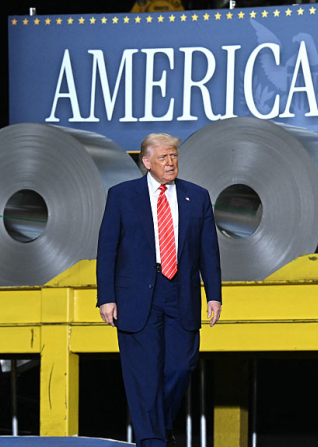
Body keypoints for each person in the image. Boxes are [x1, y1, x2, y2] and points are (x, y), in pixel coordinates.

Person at [96, 133, 222, 447]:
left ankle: (160, 425)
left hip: (181, 292)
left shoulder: (197, 196)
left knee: (180, 366)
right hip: (137, 295)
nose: (170, 162)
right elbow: (107, 249)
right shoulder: (122, 195)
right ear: (146, 162)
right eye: (163, 157)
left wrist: (214, 295)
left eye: (174, 156)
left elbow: (209, 251)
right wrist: (106, 298)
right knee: (144, 375)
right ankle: (152, 439)